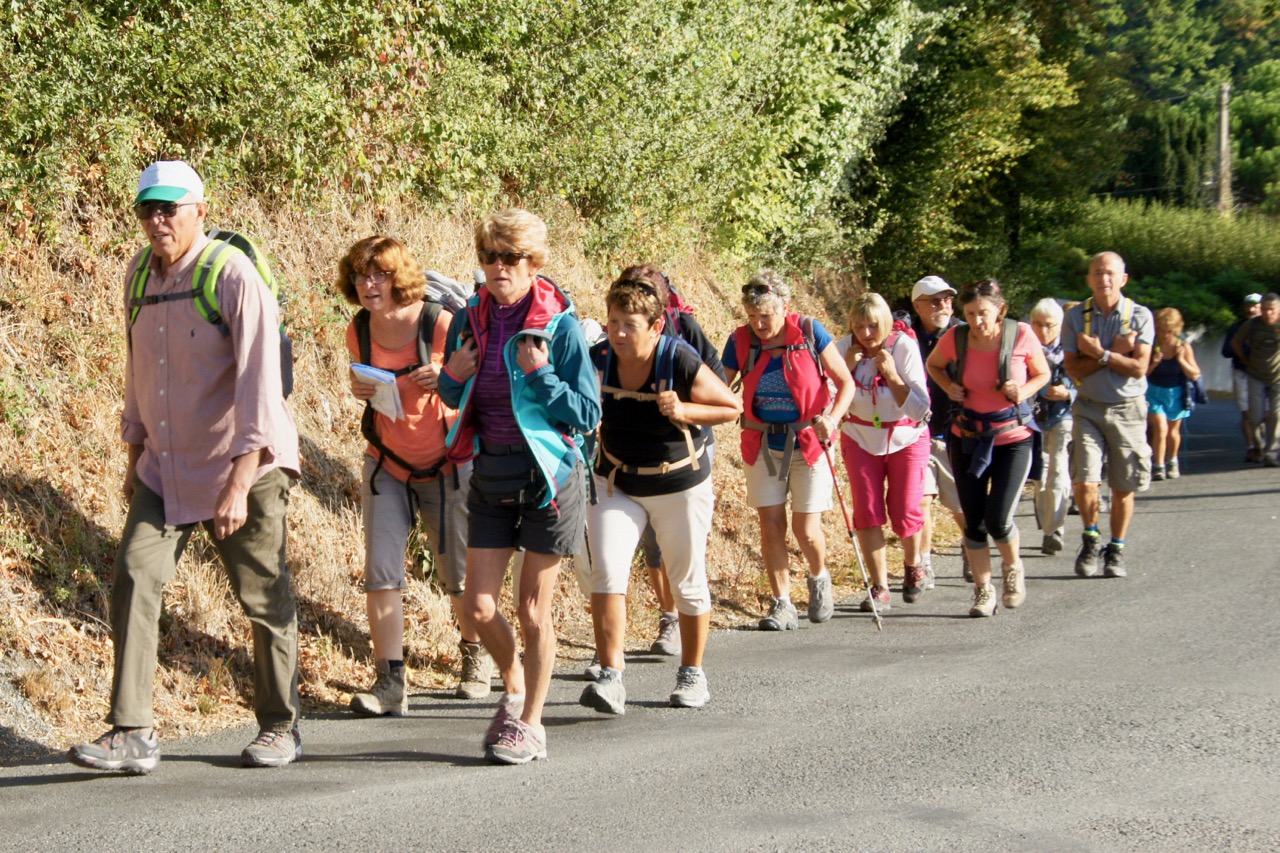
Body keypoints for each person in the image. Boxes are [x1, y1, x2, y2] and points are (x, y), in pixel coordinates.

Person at [69, 160, 302, 773]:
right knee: (134, 574)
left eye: (170, 207)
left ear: (201, 208)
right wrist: (133, 452)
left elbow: (260, 385)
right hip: (165, 466)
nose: (158, 219)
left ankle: (281, 726)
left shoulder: (232, 276)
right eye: (148, 208)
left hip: (242, 462)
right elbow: (139, 372)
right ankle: (132, 731)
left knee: (263, 597)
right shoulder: (138, 274)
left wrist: (241, 479)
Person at [438, 209, 600, 765]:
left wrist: (539, 374)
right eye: (490, 257)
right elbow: (451, 394)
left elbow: (586, 412)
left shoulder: (560, 327)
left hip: (550, 477)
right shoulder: (472, 318)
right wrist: (453, 374)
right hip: (492, 470)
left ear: (534, 264)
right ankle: (514, 689)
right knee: (477, 606)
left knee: (532, 610)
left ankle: (531, 723)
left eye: (512, 259)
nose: (499, 268)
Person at [337, 236, 493, 716]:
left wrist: (444, 373)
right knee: (381, 571)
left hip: (447, 464)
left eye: (379, 274)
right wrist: (360, 387)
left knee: (458, 573)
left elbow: (474, 377)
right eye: (361, 276)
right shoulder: (358, 330)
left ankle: (476, 653)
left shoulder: (437, 322)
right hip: (386, 462)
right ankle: (391, 683)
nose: (369, 284)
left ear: (399, 276)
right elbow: (364, 382)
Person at [580, 278, 741, 715]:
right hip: (616, 482)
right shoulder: (598, 359)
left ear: (655, 327)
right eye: (612, 322)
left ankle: (692, 671)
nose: (617, 332)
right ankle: (612, 677)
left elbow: (731, 407)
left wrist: (685, 410)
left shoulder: (678, 358)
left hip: (678, 484)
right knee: (608, 573)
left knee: (687, 581)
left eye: (629, 324)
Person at [722, 270, 854, 631]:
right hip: (762, 443)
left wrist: (833, 417)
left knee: (806, 528)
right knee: (770, 526)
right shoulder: (741, 341)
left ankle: (818, 577)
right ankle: (782, 603)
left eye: (766, 316)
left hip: (810, 442)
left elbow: (845, 383)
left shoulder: (811, 332)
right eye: (752, 317)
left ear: (785, 308)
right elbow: (719, 387)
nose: (759, 324)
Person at [617, 264, 726, 659]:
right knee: (652, 546)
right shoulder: (619, 334)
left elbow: (721, 390)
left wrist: (685, 409)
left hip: (689, 446)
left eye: (646, 291)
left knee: (679, 547)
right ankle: (669, 616)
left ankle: (683, 618)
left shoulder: (685, 329)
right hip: (633, 457)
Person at [926, 279, 1049, 616]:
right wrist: (950, 387)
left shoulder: (1020, 334)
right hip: (967, 436)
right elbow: (933, 365)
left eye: (983, 313)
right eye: (970, 314)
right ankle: (983, 591)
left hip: (1012, 438)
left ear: (1000, 310)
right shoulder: (957, 337)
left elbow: (1043, 374)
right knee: (974, 522)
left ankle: (1012, 569)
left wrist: (1022, 391)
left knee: (998, 518)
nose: (977, 321)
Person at [835, 293, 931, 611]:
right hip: (860, 436)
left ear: (886, 324)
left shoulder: (903, 346)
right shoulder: (841, 349)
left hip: (906, 436)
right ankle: (879, 586)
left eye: (873, 326)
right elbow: (827, 398)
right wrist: (845, 369)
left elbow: (920, 409)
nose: (865, 334)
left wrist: (891, 375)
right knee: (867, 511)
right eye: (859, 326)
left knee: (905, 510)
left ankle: (913, 563)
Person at [1062, 251, 1154, 579]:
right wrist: (1115, 353)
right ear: (1089, 279)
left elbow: (1139, 368)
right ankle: (1090, 538)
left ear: (1123, 279)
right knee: (1084, 480)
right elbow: (1073, 368)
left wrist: (1100, 353)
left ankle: (1115, 549)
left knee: (1122, 485)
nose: (1105, 279)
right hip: (1088, 406)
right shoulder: (1075, 318)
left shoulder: (1139, 316)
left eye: (1111, 273)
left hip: (1128, 409)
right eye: (1098, 273)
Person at [909, 275, 970, 585]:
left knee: (961, 504)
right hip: (917, 432)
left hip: (954, 432)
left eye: (946, 299)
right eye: (934, 300)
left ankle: (971, 548)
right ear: (917, 305)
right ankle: (924, 563)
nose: (942, 305)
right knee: (922, 501)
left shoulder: (963, 334)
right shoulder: (905, 335)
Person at [1028, 299, 1076, 555]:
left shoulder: (1071, 347)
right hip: (1033, 418)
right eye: (1037, 324)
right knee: (1041, 475)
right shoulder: (1024, 347)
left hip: (1062, 416)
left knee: (1058, 469)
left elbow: (1083, 378)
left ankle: (1055, 529)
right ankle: (1048, 527)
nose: (1043, 331)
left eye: (1049, 325)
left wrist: (1069, 392)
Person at [1145, 307, 1201, 480]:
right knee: (1160, 429)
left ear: (1176, 329)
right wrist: (1153, 364)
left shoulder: (1183, 346)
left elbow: (1194, 374)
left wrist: (1181, 360)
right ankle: (1158, 465)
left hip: (1176, 394)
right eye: (1161, 330)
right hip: (1154, 391)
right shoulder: (1151, 345)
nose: (1164, 335)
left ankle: (1172, 460)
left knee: (1173, 432)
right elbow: (1140, 374)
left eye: (1168, 331)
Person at [1232, 292, 1280, 467]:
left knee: (1276, 415)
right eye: (1265, 309)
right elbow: (1235, 343)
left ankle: (1271, 453)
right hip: (1256, 375)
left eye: (1272, 310)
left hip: (1277, 377)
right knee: (1255, 417)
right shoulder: (1252, 325)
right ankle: (1259, 446)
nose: (1268, 313)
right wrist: (1245, 359)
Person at [1222, 294, 1264, 462]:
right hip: (1242, 373)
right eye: (1248, 306)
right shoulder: (1236, 327)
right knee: (1247, 413)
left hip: (1264, 375)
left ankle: (1265, 445)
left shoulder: (1271, 327)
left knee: (1267, 413)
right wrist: (1244, 352)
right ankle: (1252, 447)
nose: (1251, 309)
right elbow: (1226, 351)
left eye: (1255, 306)